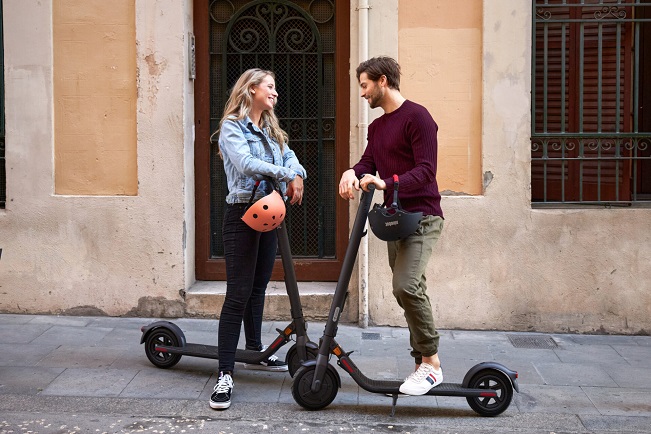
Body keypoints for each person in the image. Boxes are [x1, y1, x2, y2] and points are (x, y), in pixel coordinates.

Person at [338, 56, 444, 396]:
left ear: (383, 81)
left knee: (406, 286)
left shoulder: (418, 117)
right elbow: (368, 161)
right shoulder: (378, 127)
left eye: (364, 86)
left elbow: (427, 171)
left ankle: (432, 364)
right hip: (396, 220)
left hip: (423, 215)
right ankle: (420, 364)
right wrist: (351, 172)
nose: (362, 94)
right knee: (410, 291)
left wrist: (387, 183)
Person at [210, 68, 307, 410]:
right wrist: (287, 175)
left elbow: (291, 156)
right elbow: (246, 163)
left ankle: (254, 352)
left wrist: (296, 172)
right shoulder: (232, 128)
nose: (275, 93)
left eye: (275, 88)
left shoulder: (271, 129)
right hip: (241, 214)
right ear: (251, 90)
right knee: (237, 294)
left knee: (258, 288)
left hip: (270, 212)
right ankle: (224, 374)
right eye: (270, 87)